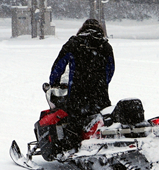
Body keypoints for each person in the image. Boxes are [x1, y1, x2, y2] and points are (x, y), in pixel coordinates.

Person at [48, 18, 115, 150]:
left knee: (74, 119)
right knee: (102, 118)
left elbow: (59, 64)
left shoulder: (74, 43)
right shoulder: (105, 45)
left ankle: (72, 148)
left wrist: (53, 82)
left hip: (78, 90)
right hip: (100, 91)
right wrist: (102, 83)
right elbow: (110, 69)